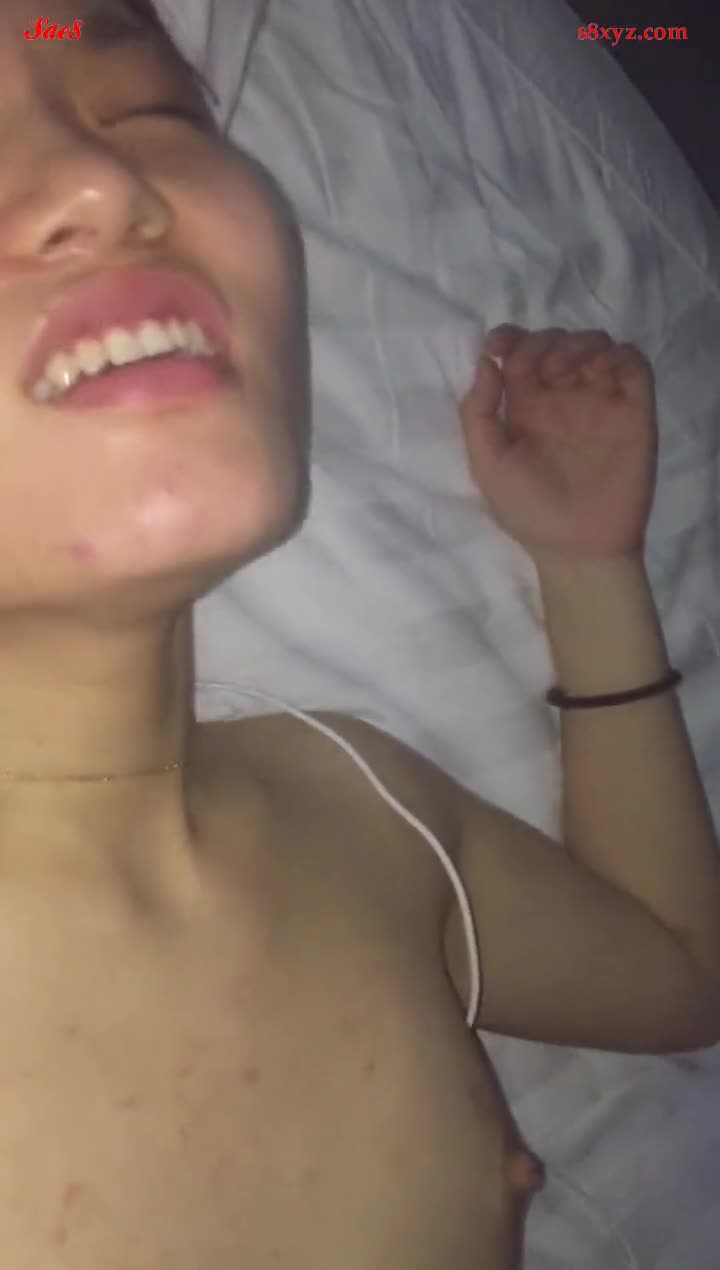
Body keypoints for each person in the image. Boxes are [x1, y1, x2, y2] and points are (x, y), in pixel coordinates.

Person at [1, 1, 719, 1266]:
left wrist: (588, 565)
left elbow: (680, 974)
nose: (103, 182)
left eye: (151, 107)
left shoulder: (359, 809)